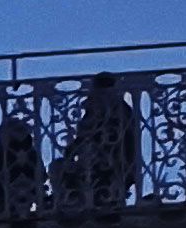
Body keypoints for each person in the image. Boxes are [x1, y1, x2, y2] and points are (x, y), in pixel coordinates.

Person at [56, 70, 143, 217]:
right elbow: (85, 134)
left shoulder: (116, 110)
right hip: (96, 161)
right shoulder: (108, 109)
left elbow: (89, 134)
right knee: (61, 169)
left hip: (112, 162)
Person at [0, 106, 46, 220]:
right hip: (6, 200)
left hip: (20, 198)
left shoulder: (29, 152)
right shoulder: (0, 154)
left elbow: (41, 176)